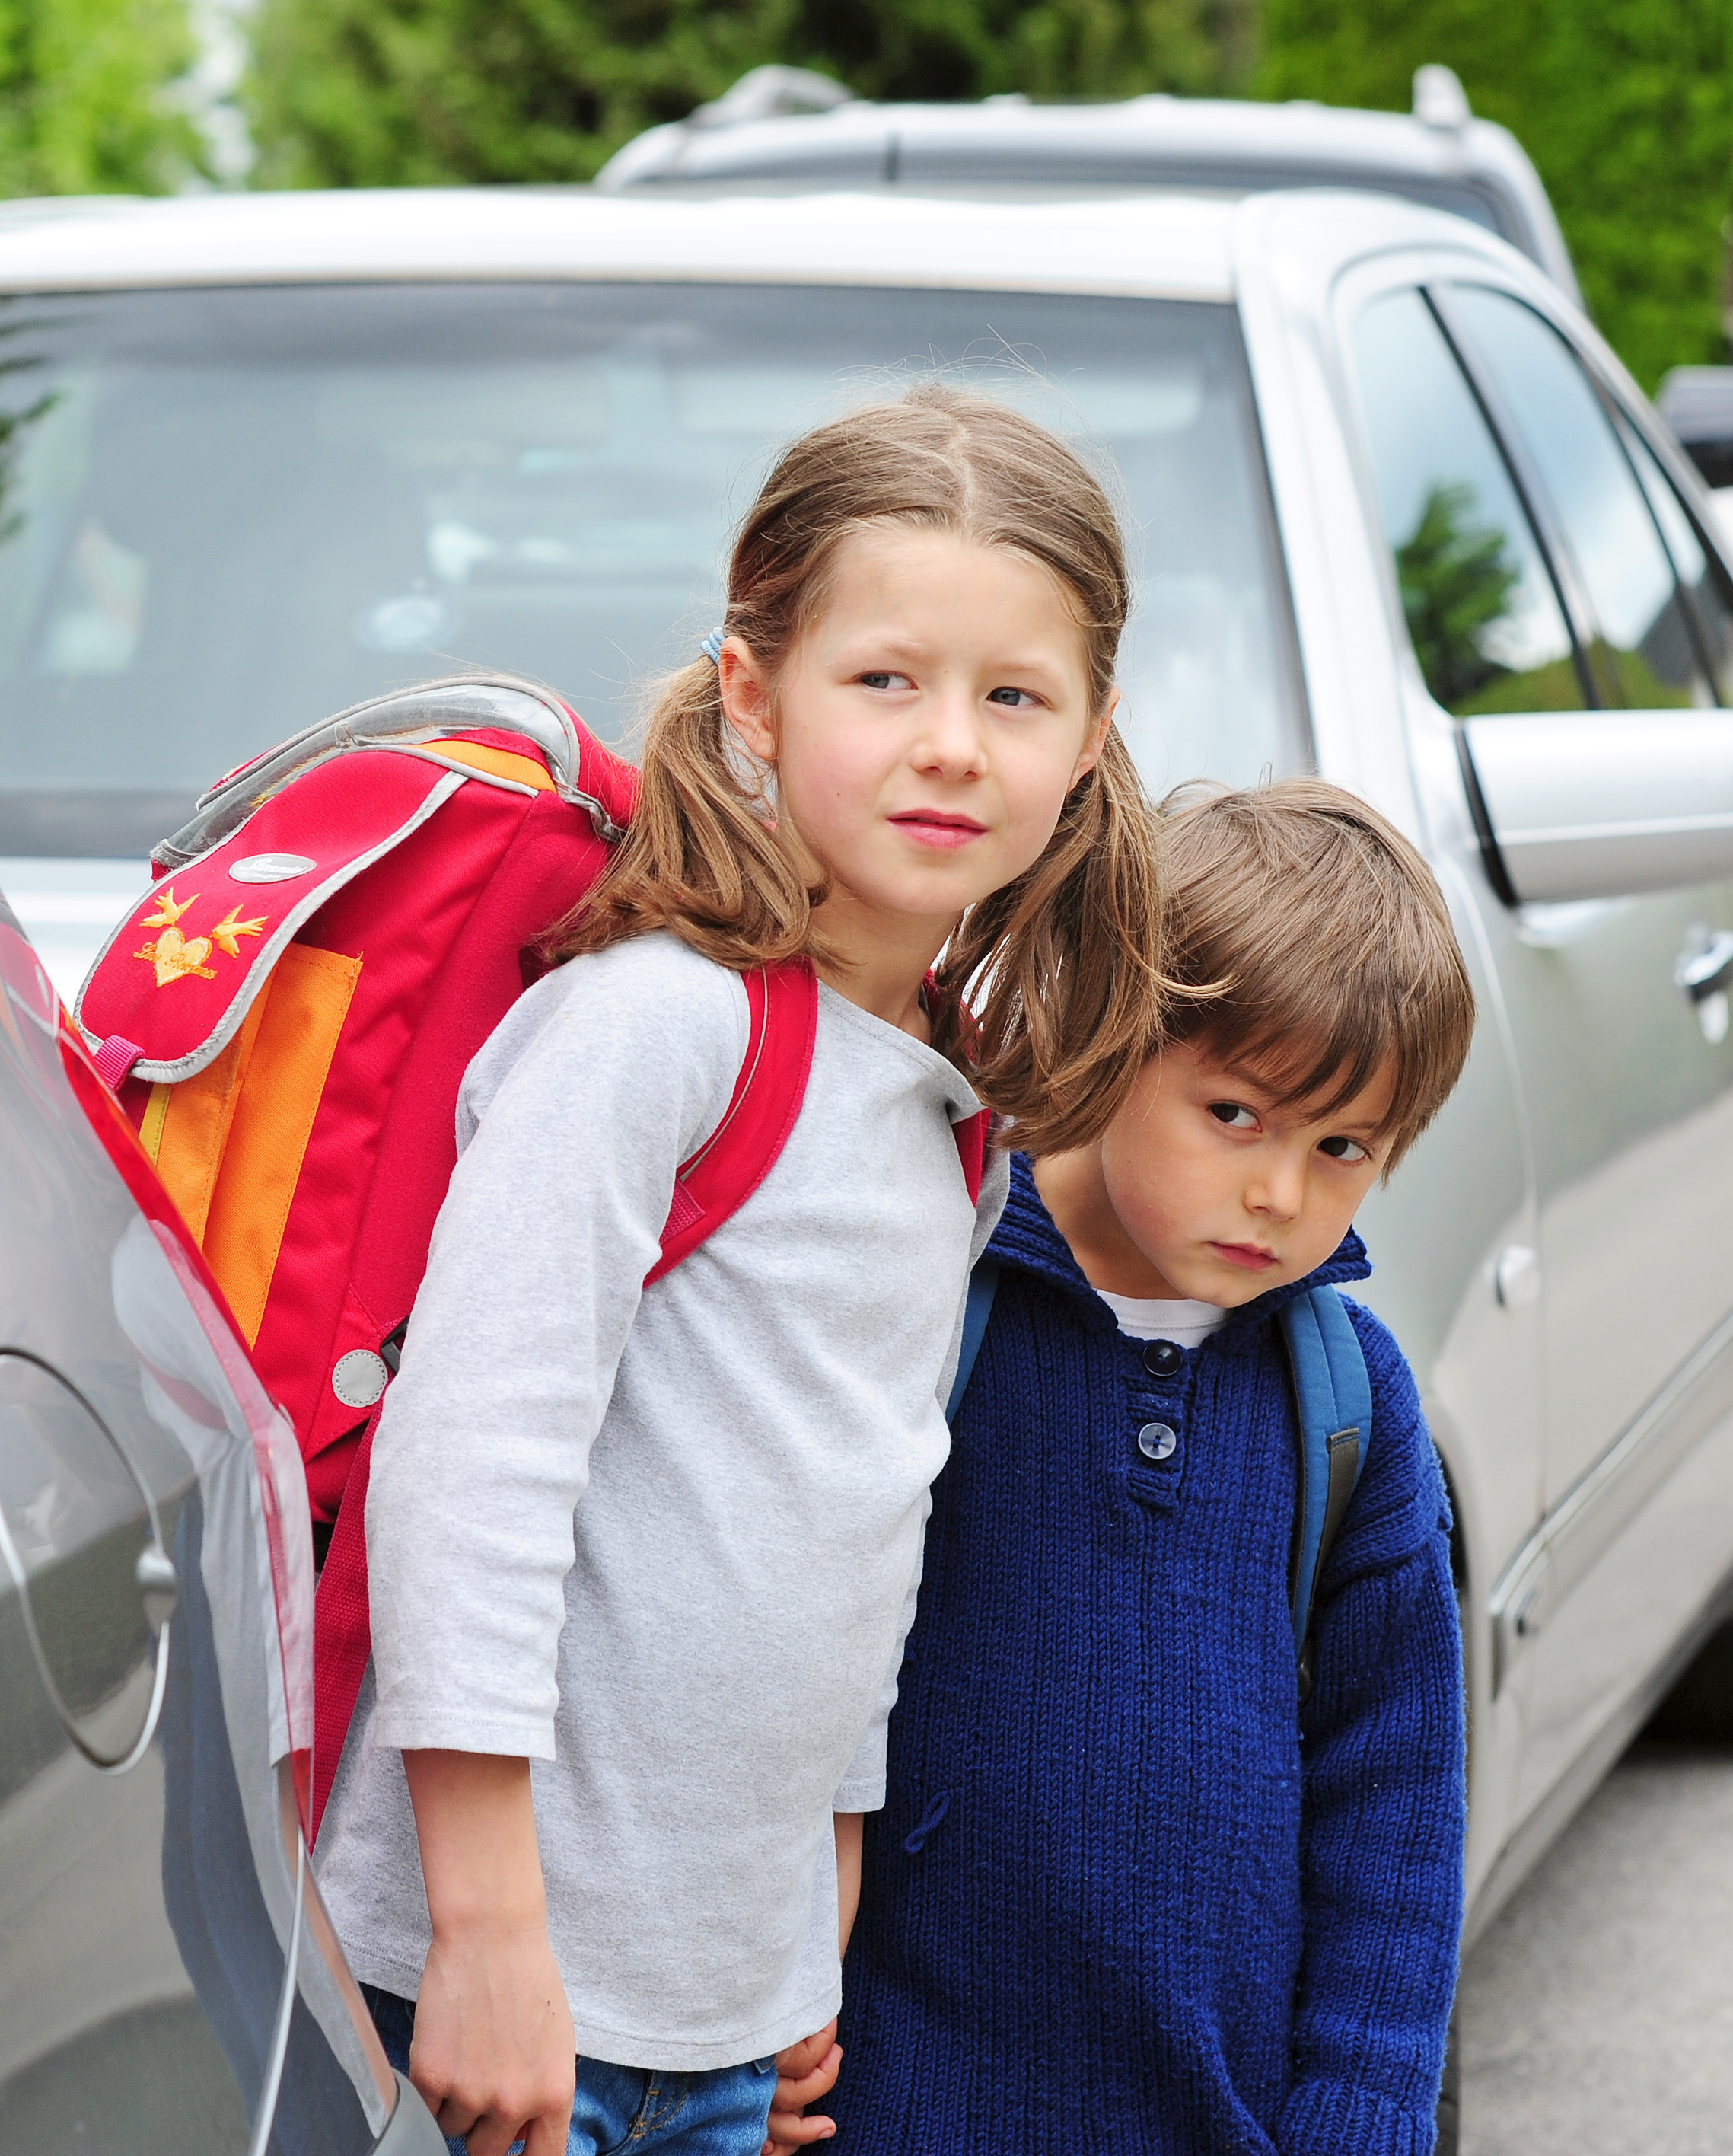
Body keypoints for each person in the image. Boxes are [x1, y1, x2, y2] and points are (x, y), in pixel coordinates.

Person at [311, 383, 1170, 2156]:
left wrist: (804, 1939)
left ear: (1087, 743)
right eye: (885, 681)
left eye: (1014, 696)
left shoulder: (943, 1098)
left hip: (727, 2019)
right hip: (491, 1995)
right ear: (754, 697)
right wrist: (482, 1936)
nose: (952, 745)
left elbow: (848, 1526)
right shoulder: (655, 1030)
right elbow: (472, 1472)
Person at [798, 777, 1479, 2156]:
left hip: (1219, 2118)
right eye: (1236, 1115)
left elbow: (1396, 1810)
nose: (1282, 1192)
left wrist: (1361, 2114)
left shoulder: (1350, 1406)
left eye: (1342, 1147)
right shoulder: (931, 1299)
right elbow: (784, 1664)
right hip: (900, 2103)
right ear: (1114, 1036)